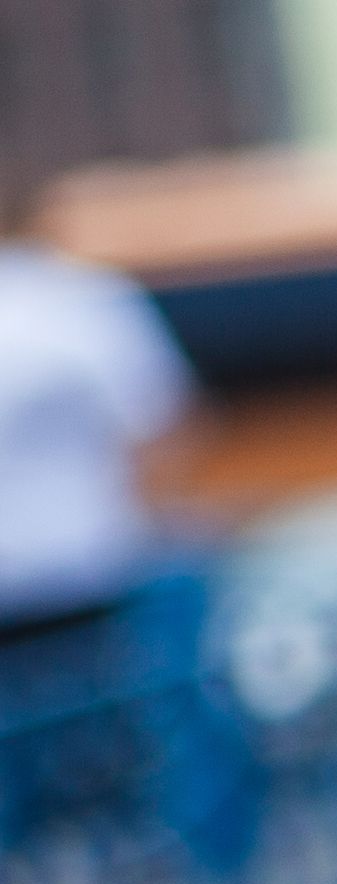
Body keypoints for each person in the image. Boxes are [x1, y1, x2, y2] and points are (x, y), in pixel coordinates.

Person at [0, 234, 194, 668]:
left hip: (84, 583)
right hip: (93, 577)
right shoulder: (78, 296)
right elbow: (160, 431)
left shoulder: (76, 295)